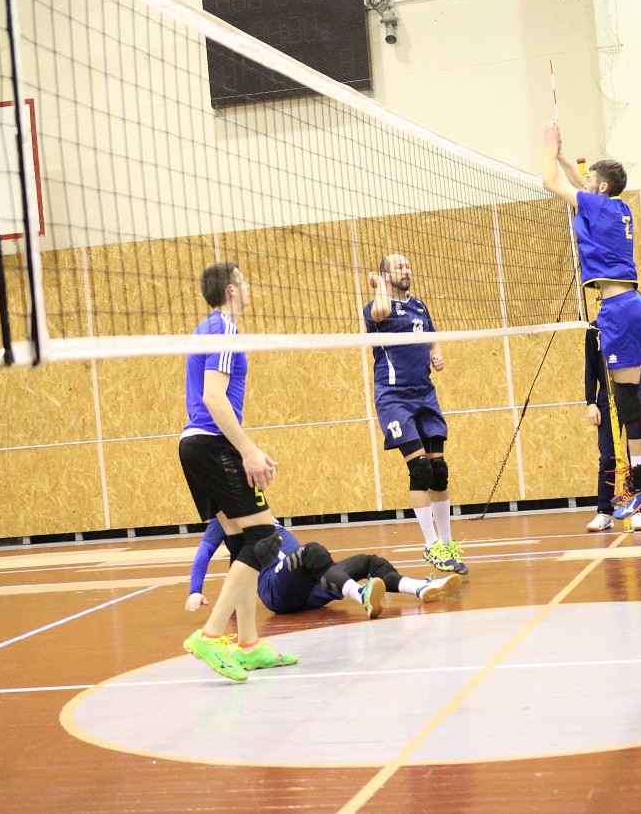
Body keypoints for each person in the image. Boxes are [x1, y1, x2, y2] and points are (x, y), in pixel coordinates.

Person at [178, 261, 297, 682]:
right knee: (266, 537)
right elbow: (214, 397)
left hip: (197, 446)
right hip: (213, 446)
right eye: (243, 281)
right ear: (230, 290)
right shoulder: (224, 329)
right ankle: (211, 635)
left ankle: (248, 643)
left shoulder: (206, 329)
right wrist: (247, 450)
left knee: (242, 542)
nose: (249, 287)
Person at [543, 120, 641, 519]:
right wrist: (564, 159)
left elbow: (550, 184)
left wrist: (549, 148)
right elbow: (581, 186)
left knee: (628, 396)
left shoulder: (598, 204)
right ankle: (639, 477)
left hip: (620, 309)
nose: (585, 182)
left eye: (590, 179)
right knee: (628, 391)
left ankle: (639, 481)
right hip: (626, 306)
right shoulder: (617, 207)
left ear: (602, 187)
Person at [364, 253, 468, 576]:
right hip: (394, 397)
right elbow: (382, 310)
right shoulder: (375, 307)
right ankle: (431, 545)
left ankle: (447, 544)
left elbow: (432, 338)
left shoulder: (420, 306)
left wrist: (437, 353)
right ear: (385, 275)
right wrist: (379, 285)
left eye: (408, 266)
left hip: (425, 395)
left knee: (439, 470)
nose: (406, 270)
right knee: (420, 469)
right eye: (399, 267)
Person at [187, 518, 462, 618]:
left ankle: (420, 588)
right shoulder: (224, 519)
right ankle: (362, 596)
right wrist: (195, 590)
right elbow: (204, 553)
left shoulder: (260, 510)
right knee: (312, 551)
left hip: (310, 582)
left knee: (369, 562)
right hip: (277, 588)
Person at [585, 320, 641, 531]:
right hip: (607, 395)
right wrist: (591, 402)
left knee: (635, 456)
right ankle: (604, 512)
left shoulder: (640, 324)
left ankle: (636, 512)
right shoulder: (595, 330)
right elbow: (590, 368)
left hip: (637, 391)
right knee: (607, 456)